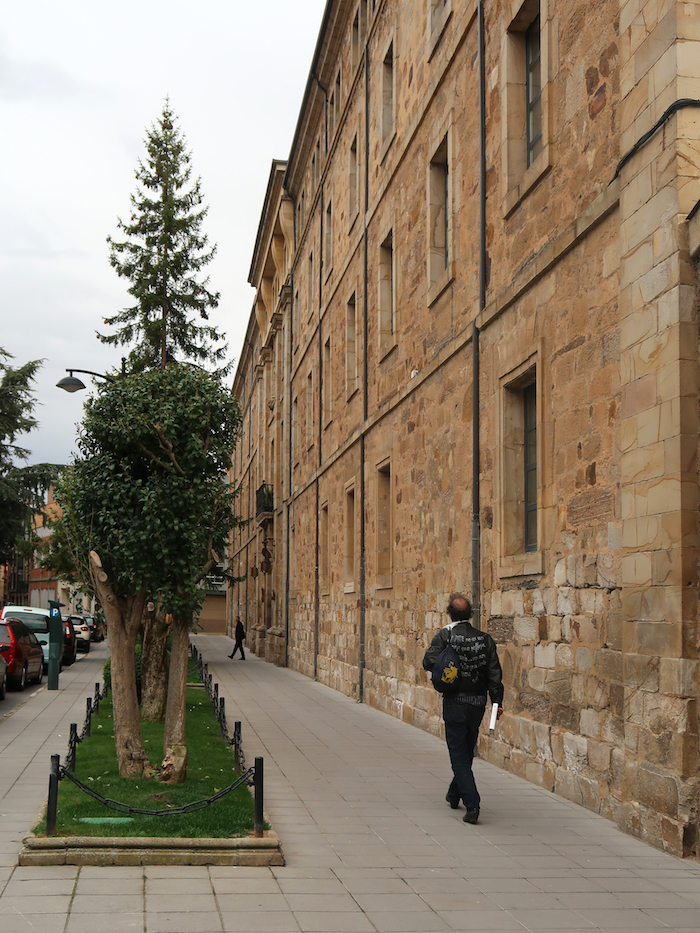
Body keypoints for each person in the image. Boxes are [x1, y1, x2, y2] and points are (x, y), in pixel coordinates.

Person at [423, 594, 503, 824]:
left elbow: (428, 662)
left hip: (455, 701)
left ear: (449, 613)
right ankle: (453, 793)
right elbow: (494, 674)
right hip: (477, 703)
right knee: (466, 750)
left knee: (459, 754)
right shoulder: (485, 639)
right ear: (470, 614)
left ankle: (472, 804)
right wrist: (497, 703)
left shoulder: (445, 635)